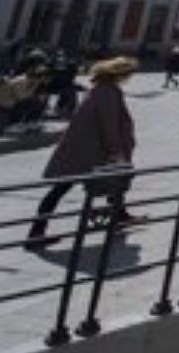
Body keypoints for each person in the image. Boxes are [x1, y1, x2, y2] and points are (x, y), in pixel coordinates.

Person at [25, 57, 143, 250]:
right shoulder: (108, 93)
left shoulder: (100, 89)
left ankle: (119, 216)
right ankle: (35, 234)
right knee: (67, 188)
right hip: (91, 150)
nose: (129, 78)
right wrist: (115, 150)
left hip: (83, 148)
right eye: (128, 75)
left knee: (111, 182)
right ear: (120, 74)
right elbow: (109, 124)